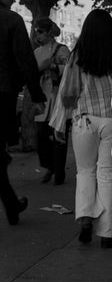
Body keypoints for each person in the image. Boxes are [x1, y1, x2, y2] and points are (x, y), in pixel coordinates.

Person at [49, 9, 112, 249]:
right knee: (107, 175)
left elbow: (66, 90)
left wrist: (59, 123)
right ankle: (107, 233)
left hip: (85, 121)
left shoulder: (77, 56)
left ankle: (85, 220)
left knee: (84, 172)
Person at [0, 0, 46, 225]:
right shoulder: (12, 20)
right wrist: (37, 96)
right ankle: (12, 205)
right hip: (3, 95)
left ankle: (12, 205)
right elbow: (25, 61)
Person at [33, 17, 70, 185]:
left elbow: (69, 70)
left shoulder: (62, 50)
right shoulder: (37, 52)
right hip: (43, 97)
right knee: (42, 135)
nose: (37, 34)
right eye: (36, 30)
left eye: (40, 31)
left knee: (59, 136)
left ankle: (59, 173)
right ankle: (49, 166)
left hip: (58, 98)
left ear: (49, 32)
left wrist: (54, 67)